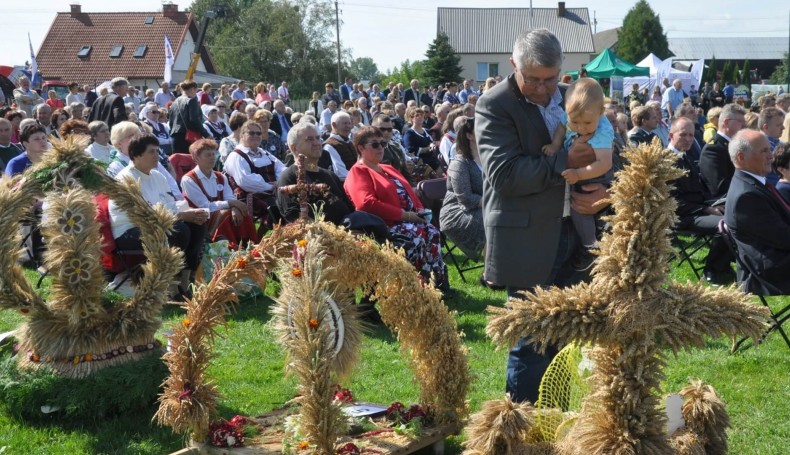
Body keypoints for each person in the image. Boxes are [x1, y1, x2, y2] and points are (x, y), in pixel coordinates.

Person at [476, 28, 602, 405]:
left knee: (564, 338)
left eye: (552, 79)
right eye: (534, 80)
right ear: (514, 65)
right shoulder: (494, 105)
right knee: (531, 341)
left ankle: (557, 422)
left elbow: (606, 146)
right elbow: (505, 175)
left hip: (574, 231)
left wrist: (602, 187)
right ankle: (523, 429)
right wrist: (566, 161)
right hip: (527, 239)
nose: (546, 89)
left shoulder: (569, 96)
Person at [344, 126, 447, 288]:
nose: (381, 148)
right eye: (375, 145)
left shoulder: (387, 168)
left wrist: (419, 210)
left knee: (432, 231)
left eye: (383, 144)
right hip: (385, 226)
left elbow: (409, 192)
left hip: (408, 219)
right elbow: (366, 204)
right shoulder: (358, 172)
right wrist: (405, 215)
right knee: (417, 235)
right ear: (361, 148)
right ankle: (416, 286)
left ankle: (436, 283)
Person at [110, 134, 208, 299]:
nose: (157, 155)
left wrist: (190, 213)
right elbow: (144, 215)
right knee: (179, 229)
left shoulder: (157, 176)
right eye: (151, 152)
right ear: (136, 155)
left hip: (157, 224)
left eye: (157, 151)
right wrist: (182, 216)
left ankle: (185, 282)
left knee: (198, 224)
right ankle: (170, 285)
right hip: (129, 231)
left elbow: (168, 205)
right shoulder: (126, 178)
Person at [542, 77, 613, 270]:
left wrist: (579, 174)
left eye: (587, 123)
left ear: (601, 112)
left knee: (579, 206)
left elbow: (605, 163)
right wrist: (555, 145)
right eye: (576, 122)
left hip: (595, 173)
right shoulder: (572, 115)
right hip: (577, 171)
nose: (581, 128)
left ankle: (591, 247)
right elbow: (561, 127)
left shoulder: (603, 130)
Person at [668, 117, 734, 284]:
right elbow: (672, 203)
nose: (689, 139)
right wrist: (707, 210)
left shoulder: (685, 157)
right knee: (726, 225)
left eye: (691, 135)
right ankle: (712, 270)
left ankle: (726, 265)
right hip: (682, 216)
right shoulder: (665, 163)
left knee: (741, 211)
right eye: (683, 135)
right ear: (671, 135)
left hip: (700, 207)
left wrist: (716, 204)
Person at [724, 130, 790, 294]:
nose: (771, 156)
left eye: (770, 149)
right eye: (764, 151)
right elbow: (783, 238)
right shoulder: (746, 196)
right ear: (741, 157)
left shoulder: (754, 182)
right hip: (774, 269)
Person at [276, 121, 353, 224]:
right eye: (309, 139)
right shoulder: (288, 178)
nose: (317, 143)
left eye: (317, 138)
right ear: (294, 148)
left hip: (349, 226)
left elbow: (348, 206)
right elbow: (294, 216)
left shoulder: (330, 175)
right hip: (323, 235)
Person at [181, 139, 255, 246]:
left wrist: (234, 207)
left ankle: (249, 244)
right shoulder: (188, 179)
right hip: (200, 218)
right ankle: (228, 246)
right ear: (196, 158)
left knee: (241, 211)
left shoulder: (220, 176)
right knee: (225, 214)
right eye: (208, 155)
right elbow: (204, 206)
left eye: (213, 154)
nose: (212, 157)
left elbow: (229, 196)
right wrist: (231, 204)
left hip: (222, 213)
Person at [440, 116, 485, 265]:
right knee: (497, 218)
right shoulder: (459, 163)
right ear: (469, 135)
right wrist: (493, 202)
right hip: (458, 212)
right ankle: (495, 267)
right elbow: (465, 198)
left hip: (484, 206)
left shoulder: (488, 159)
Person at [224, 120, 286, 221]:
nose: (256, 135)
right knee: (282, 205)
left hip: (272, 192)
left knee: (295, 199)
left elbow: (282, 169)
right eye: (251, 133)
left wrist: (279, 183)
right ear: (242, 135)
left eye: (258, 133)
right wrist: (272, 186)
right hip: (251, 196)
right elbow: (246, 182)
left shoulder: (264, 153)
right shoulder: (236, 156)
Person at [106, 121, 181, 198]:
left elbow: (170, 181)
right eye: (131, 136)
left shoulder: (149, 157)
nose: (136, 138)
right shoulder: (116, 166)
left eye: (137, 134)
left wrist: (177, 199)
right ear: (119, 143)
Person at [700, 103, 747, 199]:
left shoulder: (735, 144)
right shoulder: (713, 150)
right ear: (726, 122)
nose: (744, 125)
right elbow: (720, 187)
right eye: (740, 121)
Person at [169, 80, 208, 154]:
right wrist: (206, 134)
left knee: (178, 163)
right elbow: (194, 120)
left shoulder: (174, 103)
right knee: (190, 163)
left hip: (175, 138)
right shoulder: (191, 101)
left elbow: (171, 122)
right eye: (196, 91)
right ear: (192, 89)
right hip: (188, 138)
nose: (196, 93)